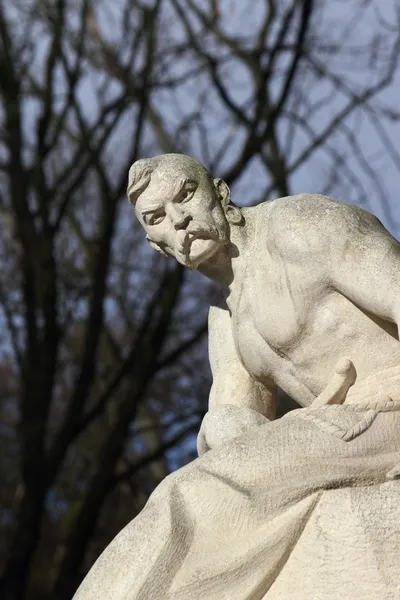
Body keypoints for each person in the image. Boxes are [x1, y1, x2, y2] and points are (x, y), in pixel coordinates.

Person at [74, 154, 400, 600]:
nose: (180, 220)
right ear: (157, 244)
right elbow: (233, 429)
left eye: (185, 195)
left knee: (192, 495)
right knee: (214, 452)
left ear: (220, 192)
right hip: (332, 432)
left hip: (388, 407)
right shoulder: (224, 319)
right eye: (157, 218)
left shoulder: (301, 226)